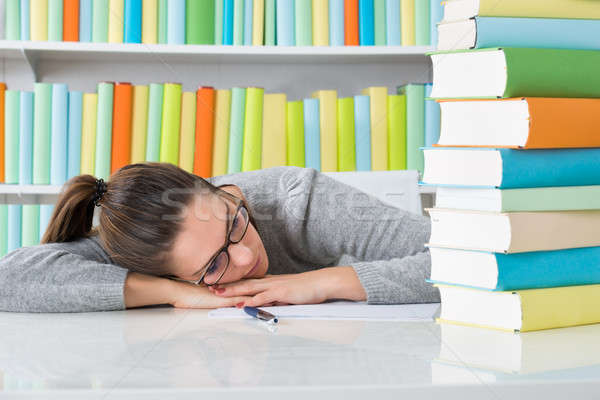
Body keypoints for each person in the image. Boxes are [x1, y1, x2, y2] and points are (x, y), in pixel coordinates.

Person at [0, 163, 439, 313]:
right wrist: (173, 294)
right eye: (212, 266)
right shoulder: (140, 245)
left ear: (216, 188)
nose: (245, 256)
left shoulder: (301, 202)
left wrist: (325, 281)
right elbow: (11, 277)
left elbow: (473, 260)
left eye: (233, 221)